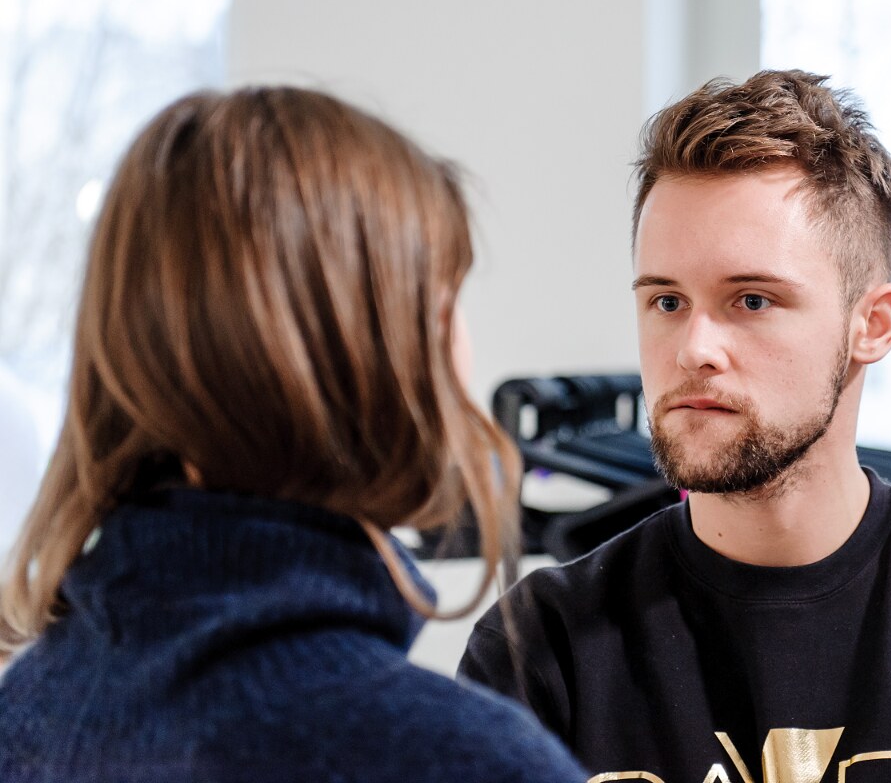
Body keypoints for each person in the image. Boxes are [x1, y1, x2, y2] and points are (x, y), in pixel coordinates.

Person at [459, 70, 891, 783]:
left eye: (751, 300)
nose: (694, 349)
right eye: (666, 302)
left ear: (871, 326)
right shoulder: (540, 645)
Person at [0, 87, 587, 783]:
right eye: (443, 306)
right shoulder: (461, 760)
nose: (464, 348)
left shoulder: (29, 706)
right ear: (360, 352)